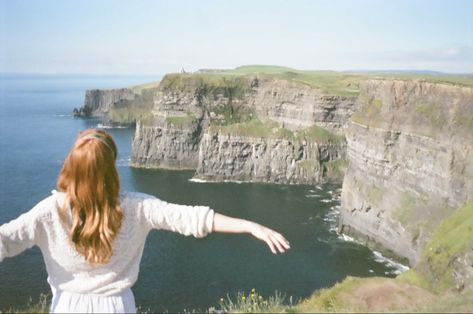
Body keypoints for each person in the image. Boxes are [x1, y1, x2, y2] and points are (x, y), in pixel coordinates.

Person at [0, 128, 290, 313]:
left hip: (66, 307)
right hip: (117, 308)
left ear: (71, 167)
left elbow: (6, 241)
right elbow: (191, 218)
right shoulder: (137, 208)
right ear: (112, 168)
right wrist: (251, 226)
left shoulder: (50, 211)